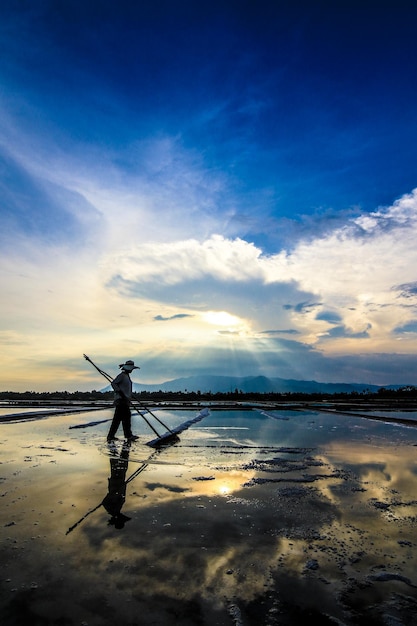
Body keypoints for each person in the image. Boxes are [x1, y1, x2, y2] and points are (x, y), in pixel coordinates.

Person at [107, 359, 140, 442]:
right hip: (121, 400)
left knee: (120, 419)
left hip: (125, 400)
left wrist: (128, 395)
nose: (132, 370)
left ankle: (113, 436)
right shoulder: (122, 375)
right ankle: (127, 435)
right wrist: (119, 392)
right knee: (124, 418)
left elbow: (125, 388)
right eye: (131, 368)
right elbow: (114, 383)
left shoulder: (126, 376)